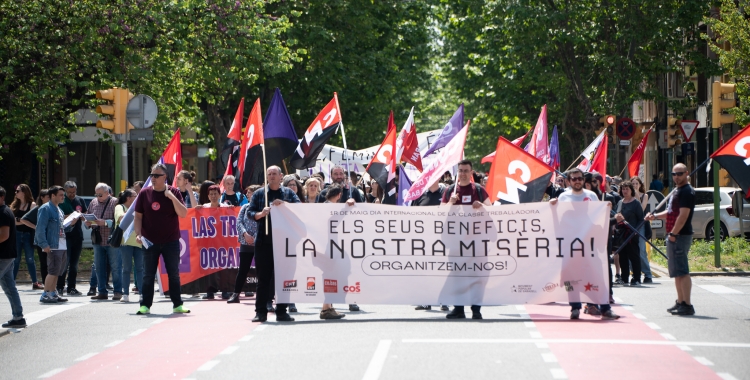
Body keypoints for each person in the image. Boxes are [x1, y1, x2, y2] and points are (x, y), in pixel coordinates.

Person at [549, 168, 620, 320]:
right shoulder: (563, 197)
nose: (577, 181)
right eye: (573, 179)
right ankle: (574, 307)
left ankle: (605, 308)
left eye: (579, 178)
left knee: (597, 275)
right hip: (570, 244)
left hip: (589, 243)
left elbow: (598, 217)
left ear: (583, 180)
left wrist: (605, 210)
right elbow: (556, 218)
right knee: (570, 277)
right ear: (568, 181)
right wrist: (551, 206)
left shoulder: (592, 195)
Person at [134, 163, 189, 315]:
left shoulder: (174, 192)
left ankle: (177, 304)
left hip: (171, 241)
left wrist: (171, 197)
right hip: (149, 241)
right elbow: (138, 216)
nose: (153, 178)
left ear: (165, 177)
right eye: (151, 175)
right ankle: (145, 305)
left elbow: (183, 213)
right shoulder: (144, 193)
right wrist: (138, 233)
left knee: (173, 273)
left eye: (156, 176)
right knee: (148, 275)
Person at [441, 159, 492, 320]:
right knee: (457, 277)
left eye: (466, 171)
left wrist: (482, 207)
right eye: (460, 170)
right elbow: (439, 213)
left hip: (477, 243)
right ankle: (458, 308)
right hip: (456, 243)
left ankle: (476, 309)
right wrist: (451, 202)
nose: (463, 173)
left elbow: (493, 211)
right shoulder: (450, 191)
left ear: (471, 173)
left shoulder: (478, 190)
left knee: (477, 277)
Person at [248, 166, 300, 322]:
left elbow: (299, 210)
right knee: (263, 278)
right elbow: (250, 213)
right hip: (264, 242)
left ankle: (282, 311)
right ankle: (261, 311)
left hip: (284, 242)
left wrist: (284, 205)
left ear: (280, 176)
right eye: (269, 174)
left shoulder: (289, 193)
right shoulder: (259, 194)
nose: (271, 176)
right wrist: (260, 214)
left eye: (274, 174)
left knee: (284, 278)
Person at [645, 163, 695, 316]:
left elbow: (683, 215)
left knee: (682, 271)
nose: (677, 177)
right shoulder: (677, 190)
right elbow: (672, 211)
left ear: (686, 173)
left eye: (680, 173)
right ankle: (680, 301)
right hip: (673, 235)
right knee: (676, 272)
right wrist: (656, 216)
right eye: (674, 174)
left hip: (679, 235)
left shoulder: (687, 191)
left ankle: (687, 304)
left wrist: (673, 234)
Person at [316, 165, 364, 312]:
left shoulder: (353, 191)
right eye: (335, 173)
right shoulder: (324, 194)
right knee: (331, 272)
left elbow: (362, 211)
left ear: (344, 175)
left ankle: (349, 300)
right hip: (330, 243)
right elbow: (318, 215)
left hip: (348, 241)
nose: (338, 175)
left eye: (340, 173)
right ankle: (328, 305)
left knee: (348, 271)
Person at [412, 179, 449, 312]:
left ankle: (444, 301)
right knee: (424, 271)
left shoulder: (447, 193)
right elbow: (411, 216)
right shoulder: (419, 195)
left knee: (442, 271)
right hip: (424, 241)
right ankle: (426, 300)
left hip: (443, 239)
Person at [34, 186, 70, 304]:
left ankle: (53, 292)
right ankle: (46, 294)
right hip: (53, 245)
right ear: (53, 196)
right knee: (53, 270)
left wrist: (71, 222)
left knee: (58, 271)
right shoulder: (46, 208)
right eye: (60, 195)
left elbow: (61, 227)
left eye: (63, 195)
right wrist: (44, 244)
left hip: (62, 244)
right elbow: (40, 228)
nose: (62, 197)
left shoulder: (59, 209)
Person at [86, 183, 122, 301]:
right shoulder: (93, 202)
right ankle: (102, 291)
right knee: (99, 267)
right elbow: (88, 215)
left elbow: (119, 221)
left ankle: (117, 291)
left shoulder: (115, 202)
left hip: (111, 240)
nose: (98, 197)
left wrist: (105, 223)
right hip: (98, 240)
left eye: (100, 194)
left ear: (107, 193)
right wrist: (87, 223)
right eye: (96, 194)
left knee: (115, 266)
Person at [318, 185, 348, 320]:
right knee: (330, 277)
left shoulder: (325, 206)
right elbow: (333, 222)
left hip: (329, 247)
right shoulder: (328, 207)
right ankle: (326, 308)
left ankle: (328, 307)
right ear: (339, 195)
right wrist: (346, 209)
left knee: (330, 276)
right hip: (327, 248)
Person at [228, 185, 261, 304]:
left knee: (261, 270)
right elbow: (239, 222)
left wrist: (256, 237)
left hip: (259, 244)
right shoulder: (245, 207)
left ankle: (264, 295)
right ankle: (235, 294)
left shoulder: (262, 208)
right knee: (243, 269)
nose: (248, 195)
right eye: (248, 193)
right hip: (245, 243)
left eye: (250, 192)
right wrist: (245, 234)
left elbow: (264, 224)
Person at [0, 186, 26, 328]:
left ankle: (18, 317)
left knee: (9, 287)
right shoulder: (5, 211)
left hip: (3, 255)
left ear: (2, 197)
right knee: (9, 287)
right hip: (7, 255)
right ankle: (18, 317)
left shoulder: (3, 212)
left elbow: (4, 235)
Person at [115, 189, 143, 303]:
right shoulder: (119, 207)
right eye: (135, 195)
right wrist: (134, 211)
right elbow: (121, 218)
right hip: (125, 242)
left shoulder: (139, 207)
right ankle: (125, 294)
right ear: (128, 198)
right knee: (126, 269)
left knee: (140, 269)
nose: (137, 197)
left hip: (139, 241)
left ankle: (142, 293)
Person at [58, 181, 86, 296]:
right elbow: (59, 216)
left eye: (74, 192)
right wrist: (71, 215)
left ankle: (71, 287)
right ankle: (59, 287)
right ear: (65, 191)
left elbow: (85, 212)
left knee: (74, 264)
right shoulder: (61, 201)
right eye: (69, 192)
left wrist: (83, 216)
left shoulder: (79, 200)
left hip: (77, 236)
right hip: (65, 236)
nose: (72, 194)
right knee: (64, 263)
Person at [614, 182, 644, 286]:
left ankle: (636, 278)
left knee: (634, 256)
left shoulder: (636, 203)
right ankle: (624, 277)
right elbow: (616, 217)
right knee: (622, 256)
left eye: (627, 189)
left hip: (632, 233)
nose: (625, 191)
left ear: (631, 190)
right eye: (623, 189)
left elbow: (641, 219)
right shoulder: (620, 202)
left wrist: (636, 230)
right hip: (621, 234)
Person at [11, 184, 40, 289]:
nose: (16, 193)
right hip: (17, 234)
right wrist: (22, 221)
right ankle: (12, 282)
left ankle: (35, 282)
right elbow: (13, 221)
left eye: (18, 191)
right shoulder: (15, 205)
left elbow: (31, 220)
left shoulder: (31, 205)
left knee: (30, 259)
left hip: (28, 235)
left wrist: (20, 220)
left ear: (24, 192)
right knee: (16, 259)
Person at [20, 190, 50, 282]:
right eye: (47, 197)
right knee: (44, 262)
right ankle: (46, 284)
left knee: (53, 262)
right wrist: (36, 227)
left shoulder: (52, 208)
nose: (49, 199)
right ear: (42, 197)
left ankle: (54, 284)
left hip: (52, 238)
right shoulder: (39, 209)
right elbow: (23, 219)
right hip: (41, 239)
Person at [631, 176, 653, 283]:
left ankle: (647, 274)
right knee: (631, 250)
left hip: (641, 225)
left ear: (640, 185)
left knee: (642, 250)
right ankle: (635, 273)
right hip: (630, 225)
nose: (635, 185)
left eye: (636, 184)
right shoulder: (627, 196)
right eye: (633, 184)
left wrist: (636, 195)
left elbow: (641, 209)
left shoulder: (645, 196)